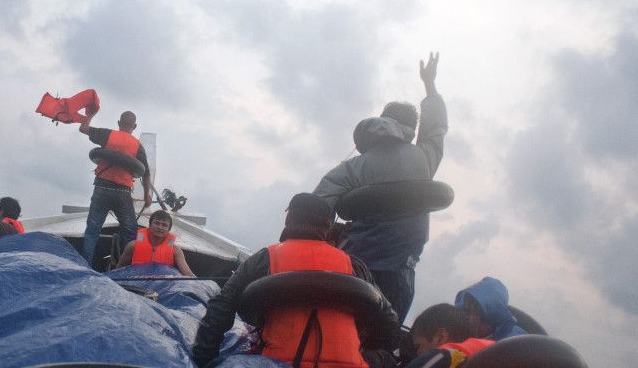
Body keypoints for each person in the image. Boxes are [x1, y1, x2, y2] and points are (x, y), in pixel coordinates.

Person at [313, 53, 446, 323]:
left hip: (351, 270)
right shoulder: (424, 159)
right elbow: (436, 129)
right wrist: (430, 85)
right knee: (381, 346)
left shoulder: (353, 167)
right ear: (411, 129)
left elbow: (317, 203)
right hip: (399, 276)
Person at [192, 193, 398, 368]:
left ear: (289, 218)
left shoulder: (265, 258)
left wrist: (202, 360)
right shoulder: (355, 265)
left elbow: (220, 309)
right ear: (327, 226)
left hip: (278, 362)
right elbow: (388, 322)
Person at [78, 108, 152, 268]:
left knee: (92, 230)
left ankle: (84, 266)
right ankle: (124, 268)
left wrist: (91, 113)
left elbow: (83, 128)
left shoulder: (107, 135)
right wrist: (147, 196)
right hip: (122, 193)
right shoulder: (138, 146)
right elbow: (146, 173)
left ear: (119, 123)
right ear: (135, 126)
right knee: (130, 231)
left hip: (101, 188)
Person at [404, 303, 495, 368]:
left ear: (440, 337)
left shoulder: (443, 356)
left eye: (418, 346)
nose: (416, 353)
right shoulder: (495, 354)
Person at [116, 210, 195, 276]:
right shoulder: (132, 245)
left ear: (168, 230)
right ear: (149, 225)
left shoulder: (176, 251)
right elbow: (118, 270)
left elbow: (188, 275)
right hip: (136, 286)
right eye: (157, 223)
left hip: (163, 289)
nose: (160, 227)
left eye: (164, 225)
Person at [454, 277, 527, 341]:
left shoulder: (516, 341)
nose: (471, 319)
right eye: (467, 311)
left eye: (479, 313)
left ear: (494, 317)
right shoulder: (458, 337)